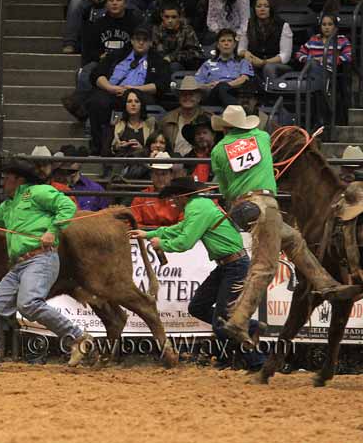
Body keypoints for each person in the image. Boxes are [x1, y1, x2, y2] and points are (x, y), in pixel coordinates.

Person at [210, 105, 360, 346]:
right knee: (264, 268)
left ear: (225, 128)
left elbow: (226, 190)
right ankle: (238, 320)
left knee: (295, 241)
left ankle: (327, 285)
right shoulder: (261, 137)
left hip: (243, 207)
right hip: (266, 204)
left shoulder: (218, 151)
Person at [0, 160, 92, 369]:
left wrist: (52, 231)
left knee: (28, 303)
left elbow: (67, 206)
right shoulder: (9, 205)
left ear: (19, 180)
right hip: (22, 264)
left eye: (6, 179)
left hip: (41, 258)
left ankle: (77, 336)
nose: (3, 183)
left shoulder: (38, 192)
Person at [128, 177, 266, 370]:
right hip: (230, 264)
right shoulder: (200, 206)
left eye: (173, 197)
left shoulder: (197, 208)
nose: (172, 202)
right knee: (198, 307)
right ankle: (249, 327)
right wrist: (149, 234)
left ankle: (258, 362)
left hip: (234, 266)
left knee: (222, 323)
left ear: (182, 196)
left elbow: (185, 241)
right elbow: (181, 229)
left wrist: (162, 243)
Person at [87, 25, 170, 156]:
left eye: (145, 39)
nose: (141, 42)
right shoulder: (118, 55)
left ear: (150, 42)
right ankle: (99, 145)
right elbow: (96, 74)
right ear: (132, 40)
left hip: (140, 94)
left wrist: (132, 89)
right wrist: (111, 88)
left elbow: (161, 85)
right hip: (112, 92)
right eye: (138, 39)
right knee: (97, 102)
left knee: (133, 100)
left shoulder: (158, 61)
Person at [237, 0, 293, 81]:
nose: (262, 9)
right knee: (243, 64)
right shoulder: (247, 25)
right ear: (254, 9)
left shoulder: (283, 26)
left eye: (266, 6)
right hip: (253, 62)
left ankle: (272, 93)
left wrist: (263, 62)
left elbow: (285, 56)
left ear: (271, 9)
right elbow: (240, 50)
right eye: (258, 6)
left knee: (268, 67)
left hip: (275, 65)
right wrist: (245, 53)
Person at [195, 28, 254, 107]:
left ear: (234, 45)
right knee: (220, 88)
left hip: (236, 93)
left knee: (223, 87)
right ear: (218, 45)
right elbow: (196, 84)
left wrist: (226, 85)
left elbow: (244, 78)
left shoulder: (243, 62)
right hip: (213, 97)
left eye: (229, 41)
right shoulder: (208, 64)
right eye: (223, 41)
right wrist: (208, 86)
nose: (226, 43)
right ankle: (238, 112)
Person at [130, 152, 181, 227]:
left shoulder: (180, 196)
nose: (160, 178)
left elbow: (183, 223)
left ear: (171, 175)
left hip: (172, 236)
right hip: (145, 235)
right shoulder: (141, 197)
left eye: (164, 174)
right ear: (151, 176)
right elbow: (134, 223)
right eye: (156, 173)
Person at [152, 2, 204, 71]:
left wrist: (172, 57)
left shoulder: (187, 30)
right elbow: (153, 50)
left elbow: (195, 53)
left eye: (174, 17)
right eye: (167, 17)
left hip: (182, 65)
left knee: (174, 66)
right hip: (161, 63)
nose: (170, 20)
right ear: (162, 16)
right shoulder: (157, 29)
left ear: (179, 17)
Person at [61, 146, 110, 211]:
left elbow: (105, 214)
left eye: (72, 162)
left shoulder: (96, 189)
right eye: (66, 162)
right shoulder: (54, 188)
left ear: (79, 162)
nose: (70, 166)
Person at [110, 88, 156, 157]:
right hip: (121, 164)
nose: (133, 104)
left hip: (144, 164)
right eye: (129, 101)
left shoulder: (151, 125)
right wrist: (117, 147)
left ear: (141, 105)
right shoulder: (116, 124)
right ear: (125, 105)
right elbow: (105, 152)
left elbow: (157, 150)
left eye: (137, 101)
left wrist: (142, 149)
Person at [181, 114, 219, 182]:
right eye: (198, 133)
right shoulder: (188, 158)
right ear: (194, 138)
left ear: (213, 135)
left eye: (205, 132)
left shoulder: (220, 155)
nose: (201, 136)